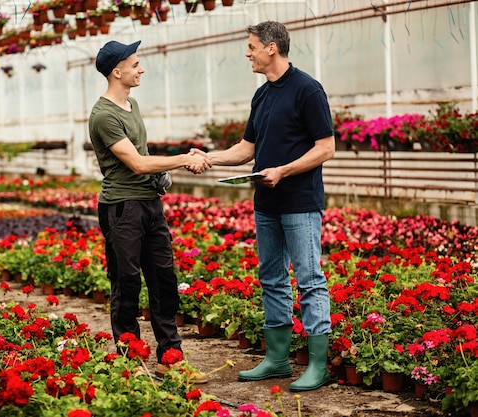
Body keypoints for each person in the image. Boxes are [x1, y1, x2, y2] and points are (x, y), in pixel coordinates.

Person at [192, 20, 335, 391]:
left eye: (252, 46)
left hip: (300, 202)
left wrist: (284, 171)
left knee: (310, 281)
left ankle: (318, 365)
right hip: (266, 202)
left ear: (272, 47)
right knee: (271, 278)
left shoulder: (307, 89)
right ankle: (276, 360)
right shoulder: (263, 94)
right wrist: (211, 159)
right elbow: (248, 150)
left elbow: (325, 148)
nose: (247, 53)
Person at [88, 39, 210, 383]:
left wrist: (164, 174)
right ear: (118, 71)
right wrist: (185, 159)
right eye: (136, 64)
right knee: (126, 286)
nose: (141, 69)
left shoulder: (132, 105)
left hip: (150, 205)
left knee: (164, 281)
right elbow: (138, 163)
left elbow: (145, 158)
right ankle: (130, 363)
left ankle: (170, 359)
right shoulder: (103, 116)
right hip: (122, 208)